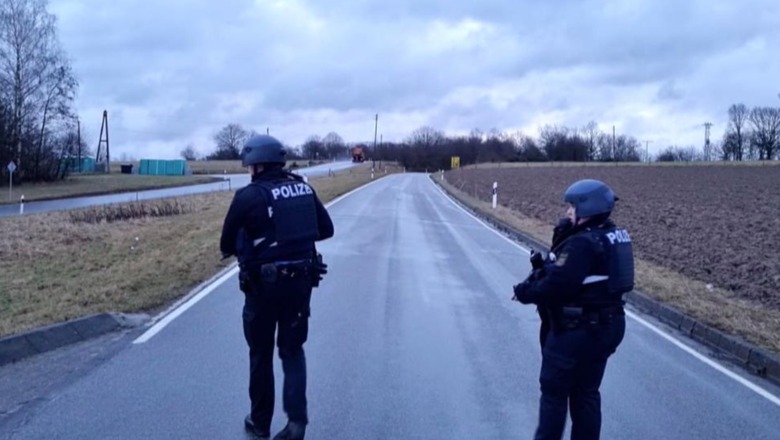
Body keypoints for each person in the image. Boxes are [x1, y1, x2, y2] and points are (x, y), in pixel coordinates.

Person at [220, 134, 334, 440]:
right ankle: (296, 424)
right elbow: (326, 229)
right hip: (300, 285)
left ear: (256, 165)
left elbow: (225, 243)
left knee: (261, 354)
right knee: (293, 351)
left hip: (263, 287)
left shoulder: (248, 196)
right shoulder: (303, 188)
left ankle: (260, 423)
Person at [512, 179, 634, 440]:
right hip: (608, 326)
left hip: (576, 331)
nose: (568, 211)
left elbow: (557, 285)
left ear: (588, 208)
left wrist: (523, 292)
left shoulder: (582, 244)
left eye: (572, 206)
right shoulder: (615, 236)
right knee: (586, 393)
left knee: (554, 394)